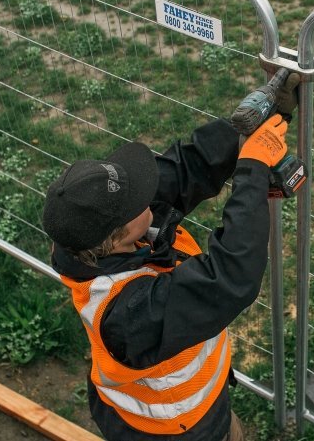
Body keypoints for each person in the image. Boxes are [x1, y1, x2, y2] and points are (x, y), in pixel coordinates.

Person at [41, 107, 291, 441]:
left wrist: (257, 119)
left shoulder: (103, 235)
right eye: (137, 200)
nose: (149, 193)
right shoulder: (128, 315)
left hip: (200, 399)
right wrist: (253, 172)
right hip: (171, 427)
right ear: (118, 236)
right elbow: (231, 276)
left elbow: (188, 168)